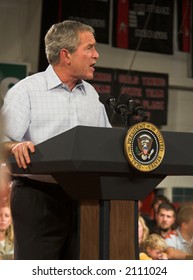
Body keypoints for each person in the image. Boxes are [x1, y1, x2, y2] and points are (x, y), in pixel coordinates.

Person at [0, 20, 111, 260]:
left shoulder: (91, 94)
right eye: (89, 48)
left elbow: (107, 141)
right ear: (66, 55)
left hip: (84, 199)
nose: (96, 54)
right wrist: (14, 145)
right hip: (38, 198)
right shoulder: (26, 91)